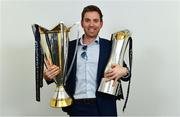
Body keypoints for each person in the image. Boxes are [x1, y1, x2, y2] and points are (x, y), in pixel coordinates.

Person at [44, 5, 131, 116]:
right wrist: (47, 76)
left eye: (95, 20)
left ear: (101, 24)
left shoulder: (109, 46)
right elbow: (57, 74)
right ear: (82, 23)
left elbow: (126, 75)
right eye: (87, 20)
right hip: (76, 108)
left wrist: (124, 71)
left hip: (104, 107)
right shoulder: (69, 48)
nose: (91, 24)